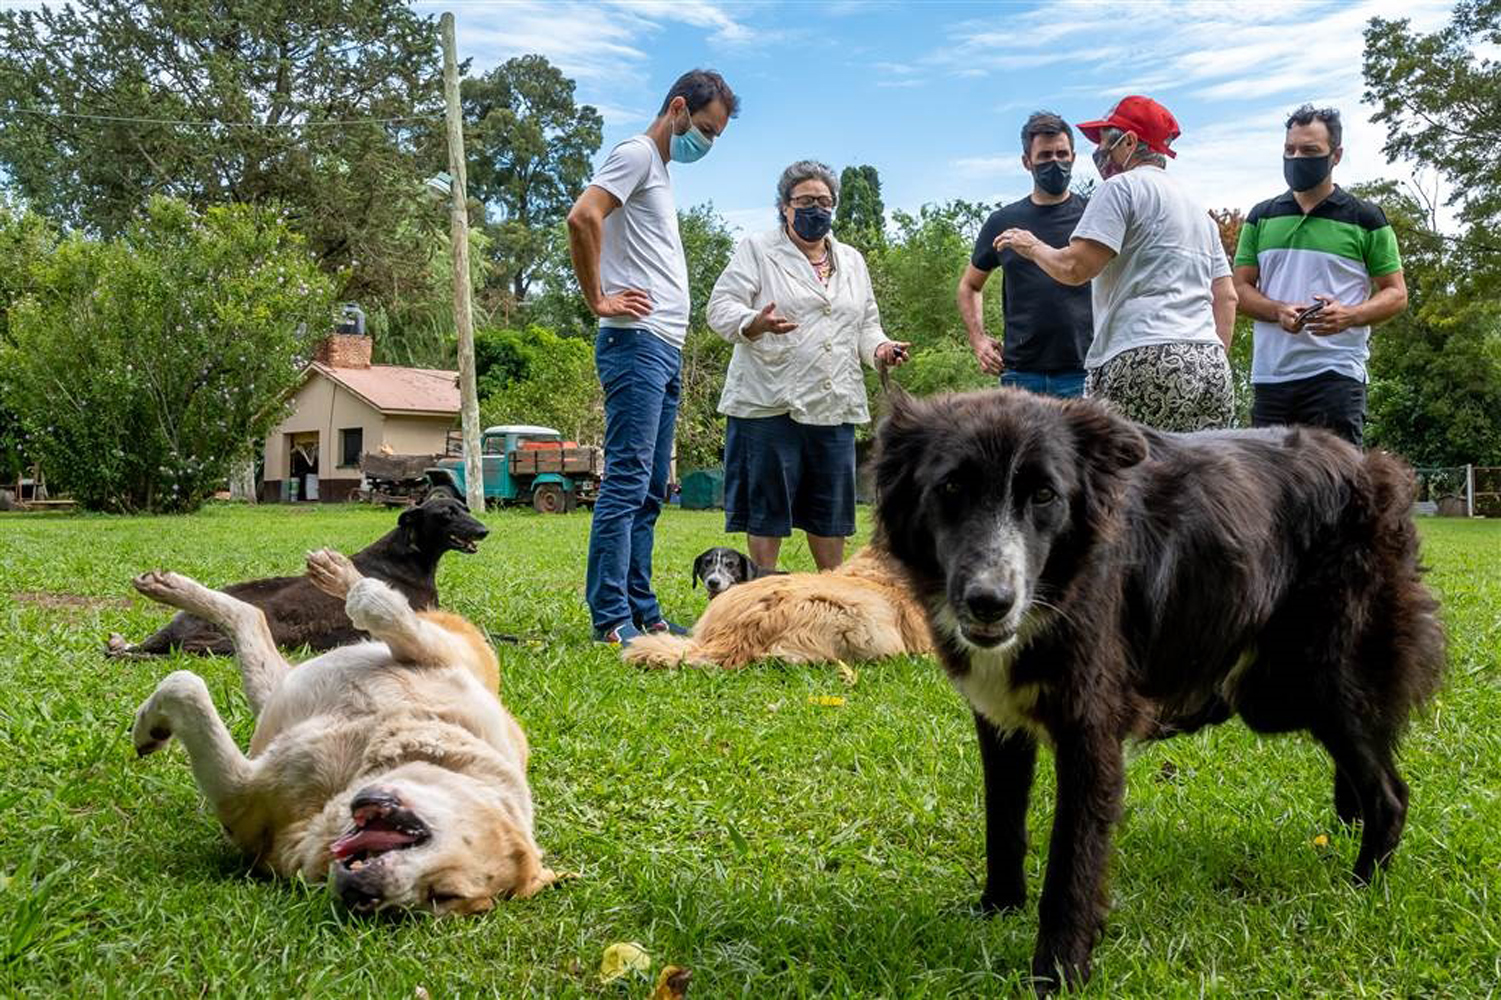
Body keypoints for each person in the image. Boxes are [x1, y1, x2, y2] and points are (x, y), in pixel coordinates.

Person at [566, 69, 738, 644]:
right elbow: (583, 216)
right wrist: (598, 298)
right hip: (634, 342)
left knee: (648, 488)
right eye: (707, 130)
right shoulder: (638, 153)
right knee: (626, 480)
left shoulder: (658, 171)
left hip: (662, 347)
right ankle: (610, 616)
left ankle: (644, 610)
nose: (708, 144)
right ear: (680, 109)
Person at [706, 160, 909, 573]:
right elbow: (719, 308)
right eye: (805, 201)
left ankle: (829, 591)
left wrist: (881, 349)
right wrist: (753, 323)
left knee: (830, 512)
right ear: (785, 206)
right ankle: (762, 591)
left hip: (832, 402)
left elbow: (866, 325)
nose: (816, 208)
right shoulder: (757, 250)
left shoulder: (852, 260)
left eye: (824, 201)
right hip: (768, 402)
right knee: (767, 511)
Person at [995, 96, 1239, 432]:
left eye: (1106, 140)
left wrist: (1033, 246)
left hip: (1141, 354)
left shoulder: (1120, 188)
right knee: (1200, 479)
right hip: (1210, 362)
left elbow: (1075, 268)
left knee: (1128, 477)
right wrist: (1205, 359)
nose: (1100, 151)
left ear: (1130, 142)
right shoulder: (1198, 211)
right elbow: (1226, 297)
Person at [1233, 105, 1408, 447]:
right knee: (1270, 491)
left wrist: (1350, 315)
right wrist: (1277, 310)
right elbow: (1239, 289)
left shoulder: (1366, 218)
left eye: (1309, 151)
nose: (1297, 158)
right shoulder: (1261, 217)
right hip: (1271, 376)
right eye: (1290, 150)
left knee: (1338, 488)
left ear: (1336, 155)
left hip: (1336, 374)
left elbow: (1396, 293)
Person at [958, 111, 1093, 397]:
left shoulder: (1093, 215)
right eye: (1045, 156)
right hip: (1021, 375)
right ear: (1026, 162)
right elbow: (970, 286)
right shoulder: (1003, 221)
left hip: (1085, 370)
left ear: (1073, 157)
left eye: (1062, 153)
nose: (1055, 163)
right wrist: (979, 341)